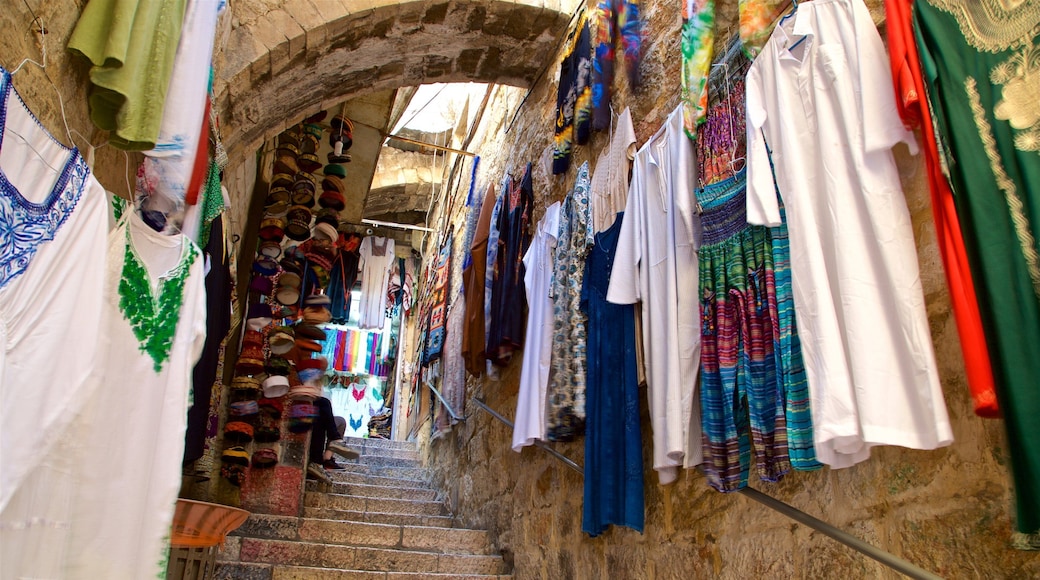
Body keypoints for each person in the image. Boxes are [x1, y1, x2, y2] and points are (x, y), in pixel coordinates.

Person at [307, 396, 360, 483]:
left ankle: (327, 458)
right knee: (323, 404)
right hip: (307, 414)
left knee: (341, 421)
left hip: (314, 410)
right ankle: (318, 462)